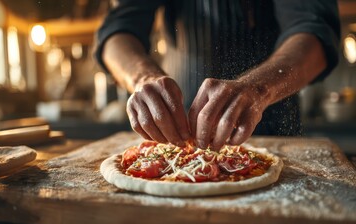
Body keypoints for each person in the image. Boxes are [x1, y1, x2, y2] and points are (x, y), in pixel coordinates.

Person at [96, 0, 340, 150]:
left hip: (275, 131)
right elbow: (118, 30)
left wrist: (257, 90)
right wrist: (143, 78)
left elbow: (315, 31)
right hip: (174, 138)